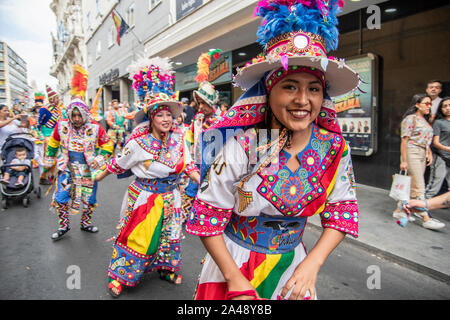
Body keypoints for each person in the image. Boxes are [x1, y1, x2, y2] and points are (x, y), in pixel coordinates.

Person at [186, 0, 360, 300]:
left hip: (294, 267)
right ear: (269, 92)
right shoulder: (243, 146)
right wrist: (234, 279)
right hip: (235, 265)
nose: (302, 99)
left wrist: (311, 264)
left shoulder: (334, 148)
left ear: (323, 96)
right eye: (290, 86)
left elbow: (342, 211)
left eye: (313, 88)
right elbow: (207, 216)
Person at [94, 57, 200, 298]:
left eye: (169, 115)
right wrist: (97, 177)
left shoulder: (179, 138)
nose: (166, 119)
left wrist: (200, 180)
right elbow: (117, 163)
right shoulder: (137, 143)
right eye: (160, 114)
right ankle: (120, 275)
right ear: (151, 117)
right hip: (145, 197)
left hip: (172, 196)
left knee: (171, 234)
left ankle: (165, 268)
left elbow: (189, 164)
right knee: (138, 237)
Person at [44, 98, 114, 241]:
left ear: (85, 114)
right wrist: (49, 160)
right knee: (61, 197)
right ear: (69, 115)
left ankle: (85, 223)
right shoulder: (61, 126)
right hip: (66, 169)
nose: (76, 119)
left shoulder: (95, 127)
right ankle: (64, 226)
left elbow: (107, 144)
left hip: (88, 170)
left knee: (89, 199)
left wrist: (99, 159)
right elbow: (53, 142)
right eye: (73, 116)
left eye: (79, 115)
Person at [394, 94, 445, 230]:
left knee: (413, 184)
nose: (429, 106)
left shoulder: (426, 121)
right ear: (417, 104)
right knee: (419, 187)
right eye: (426, 103)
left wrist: (428, 152)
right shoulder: (411, 119)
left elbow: (426, 140)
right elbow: (404, 140)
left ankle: (399, 211)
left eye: (430, 104)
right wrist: (404, 160)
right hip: (412, 151)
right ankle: (425, 217)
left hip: (422, 152)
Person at [38, 87, 64, 185]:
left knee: (57, 157)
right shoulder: (44, 109)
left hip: (57, 135)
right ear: (52, 99)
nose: (58, 100)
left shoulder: (59, 109)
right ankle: (43, 176)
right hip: (47, 136)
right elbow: (38, 124)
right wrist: (41, 135)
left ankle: (51, 176)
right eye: (57, 98)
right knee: (50, 158)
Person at [425, 97, 450, 200]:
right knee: (434, 186)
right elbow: (435, 143)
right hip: (440, 157)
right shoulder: (438, 123)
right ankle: (419, 207)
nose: (448, 108)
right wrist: (447, 149)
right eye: (445, 106)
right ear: (441, 109)